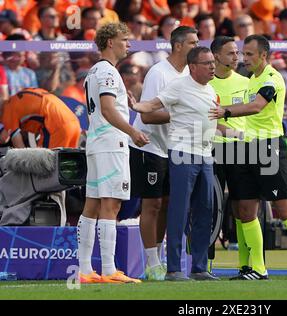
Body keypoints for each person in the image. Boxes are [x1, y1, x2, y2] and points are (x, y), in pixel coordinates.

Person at [209, 35, 287, 280]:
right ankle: (256, 268)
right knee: (245, 209)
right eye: (243, 54)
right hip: (244, 147)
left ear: (263, 55)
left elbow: (257, 106)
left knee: (283, 206)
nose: (244, 58)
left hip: (268, 147)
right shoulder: (250, 80)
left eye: (249, 54)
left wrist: (225, 112)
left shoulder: (272, 79)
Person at [130, 46, 220, 281]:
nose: (212, 66)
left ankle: (199, 267)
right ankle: (173, 269)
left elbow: (210, 121)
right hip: (182, 154)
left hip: (205, 155)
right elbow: (153, 105)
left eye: (213, 62)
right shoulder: (179, 86)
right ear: (193, 67)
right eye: (207, 63)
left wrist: (235, 131)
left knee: (205, 210)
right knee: (179, 210)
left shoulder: (211, 90)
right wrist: (137, 106)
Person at [76, 22, 149, 284]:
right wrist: (132, 131)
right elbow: (107, 109)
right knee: (112, 204)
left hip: (97, 143)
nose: (128, 44)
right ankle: (108, 269)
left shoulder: (96, 71)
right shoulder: (107, 72)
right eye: (124, 39)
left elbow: (106, 106)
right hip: (111, 144)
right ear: (110, 42)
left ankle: (84, 269)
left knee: (92, 205)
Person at [129, 26, 198, 281]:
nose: (197, 46)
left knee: (169, 203)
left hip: (175, 148)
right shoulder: (159, 73)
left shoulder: (191, 74)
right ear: (178, 46)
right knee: (152, 203)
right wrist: (185, 115)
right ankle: (151, 261)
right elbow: (147, 114)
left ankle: (157, 258)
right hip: (150, 145)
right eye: (193, 42)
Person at [209, 36, 249, 275]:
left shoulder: (245, 82)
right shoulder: (205, 83)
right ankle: (204, 264)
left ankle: (248, 263)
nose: (237, 57)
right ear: (216, 56)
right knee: (209, 205)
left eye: (238, 53)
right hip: (211, 149)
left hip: (240, 149)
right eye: (231, 53)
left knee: (244, 205)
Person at [0, 88, 80, 149]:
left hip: (56, 127)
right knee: (69, 165)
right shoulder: (19, 97)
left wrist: (25, 164)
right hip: (74, 122)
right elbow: (4, 137)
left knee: (47, 167)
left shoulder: (7, 110)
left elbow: (17, 143)